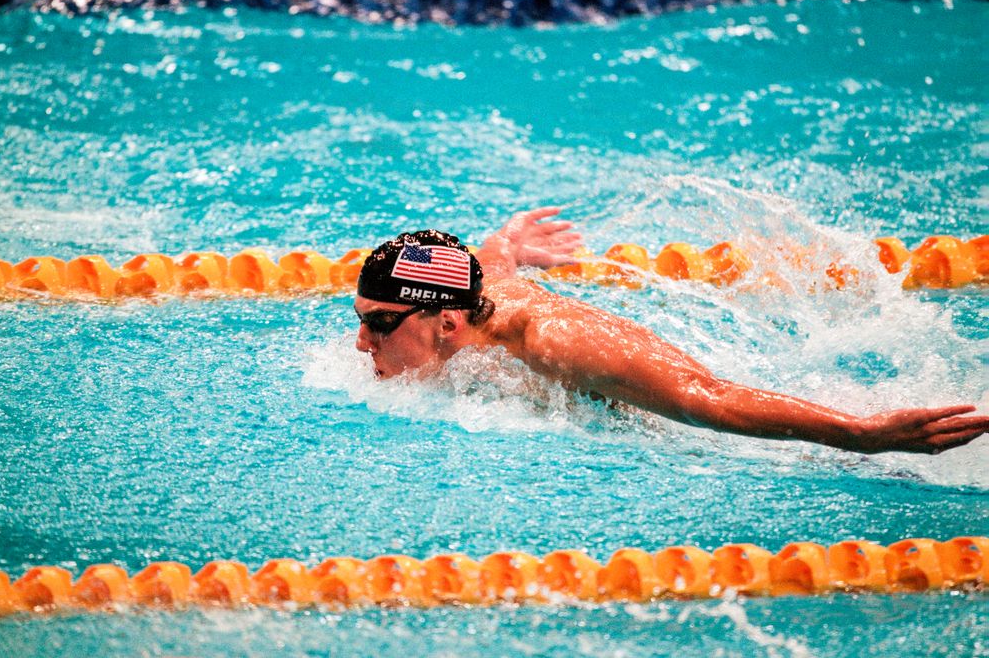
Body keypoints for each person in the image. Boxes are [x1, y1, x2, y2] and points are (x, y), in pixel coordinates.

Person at [353, 208, 987, 455]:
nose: (362, 344)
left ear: (447, 321)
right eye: (360, 321)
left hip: (707, 434)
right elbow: (490, 266)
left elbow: (701, 396)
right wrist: (508, 243)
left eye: (378, 325)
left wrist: (861, 433)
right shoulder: (471, 296)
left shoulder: (551, 341)